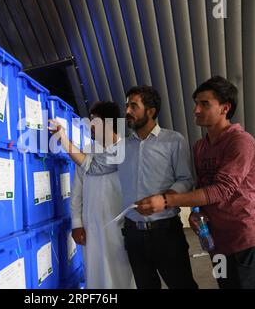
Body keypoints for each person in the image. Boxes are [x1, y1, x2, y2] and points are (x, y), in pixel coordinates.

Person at [50, 86, 198, 289]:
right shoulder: (122, 148)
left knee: (182, 285)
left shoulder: (173, 141)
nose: (127, 111)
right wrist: (63, 139)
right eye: (126, 106)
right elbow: (91, 167)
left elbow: (185, 179)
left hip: (165, 231)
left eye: (133, 106)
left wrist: (165, 200)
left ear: (151, 111)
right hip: (134, 234)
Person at [138, 76, 255, 289]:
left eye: (204, 104)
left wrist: (166, 200)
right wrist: (198, 211)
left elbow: (221, 189)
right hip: (216, 242)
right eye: (196, 103)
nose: (196, 110)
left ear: (225, 108)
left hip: (244, 242)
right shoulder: (201, 146)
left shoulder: (241, 142)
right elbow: (202, 185)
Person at [70, 101, 136, 289]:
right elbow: (77, 193)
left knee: (125, 274)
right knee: (96, 274)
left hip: (121, 225)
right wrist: (77, 224)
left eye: (95, 121)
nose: (90, 126)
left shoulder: (128, 150)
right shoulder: (85, 153)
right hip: (92, 227)